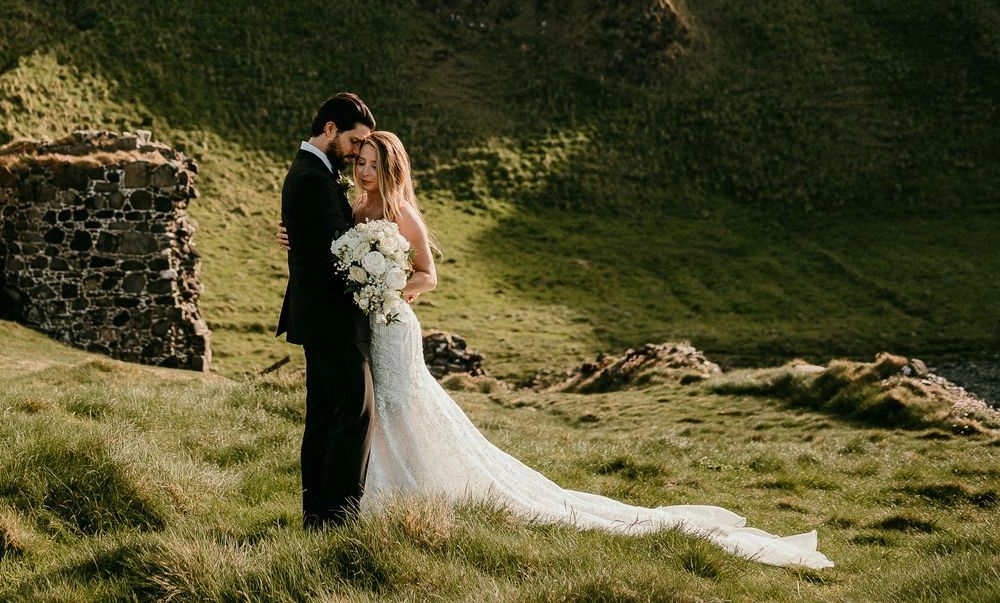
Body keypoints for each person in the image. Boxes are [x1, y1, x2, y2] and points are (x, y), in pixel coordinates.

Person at [277, 130, 834, 569]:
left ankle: (408, 495)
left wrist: (393, 284)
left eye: (372, 163)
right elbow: (330, 248)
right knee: (373, 410)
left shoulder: (402, 213)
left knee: (402, 405)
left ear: (390, 168)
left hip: (394, 322)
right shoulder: (355, 209)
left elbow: (429, 276)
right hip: (367, 323)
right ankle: (374, 498)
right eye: (360, 162)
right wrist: (299, 240)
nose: (363, 170)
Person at [278, 92, 376, 528]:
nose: (356, 153)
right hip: (332, 317)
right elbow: (338, 250)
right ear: (330, 129)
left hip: (319, 316)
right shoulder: (312, 178)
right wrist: (386, 256)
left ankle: (317, 517)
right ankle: (339, 520)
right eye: (354, 142)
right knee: (354, 415)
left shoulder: (314, 172)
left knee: (325, 417)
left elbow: (319, 238)